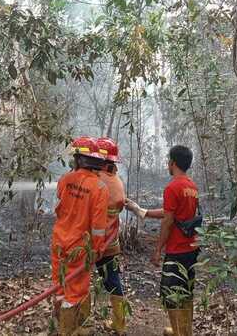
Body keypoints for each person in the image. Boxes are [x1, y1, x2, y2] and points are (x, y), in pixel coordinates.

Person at [125, 145, 199, 336]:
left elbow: (167, 222)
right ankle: (183, 331)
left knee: (172, 293)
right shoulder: (191, 186)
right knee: (185, 291)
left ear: (172, 162)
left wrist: (158, 250)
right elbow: (171, 213)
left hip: (176, 250)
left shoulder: (172, 187)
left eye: (168, 160)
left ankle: (179, 332)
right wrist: (141, 211)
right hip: (191, 249)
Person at [51, 137, 109, 335]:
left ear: (79, 159)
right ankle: (69, 331)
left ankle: (66, 326)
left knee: (60, 286)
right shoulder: (100, 188)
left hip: (59, 242)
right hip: (79, 247)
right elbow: (98, 226)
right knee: (75, 291)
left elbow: (60, 205)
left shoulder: (66, 179)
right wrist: (98, 247)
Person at [94, 137, 128, 334]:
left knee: (78, 282)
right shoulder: (117, 180)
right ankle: (119, 324)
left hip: (92, 242)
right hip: (111, 242)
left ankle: (80, 324)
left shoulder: (97, 181)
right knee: (113, 281)